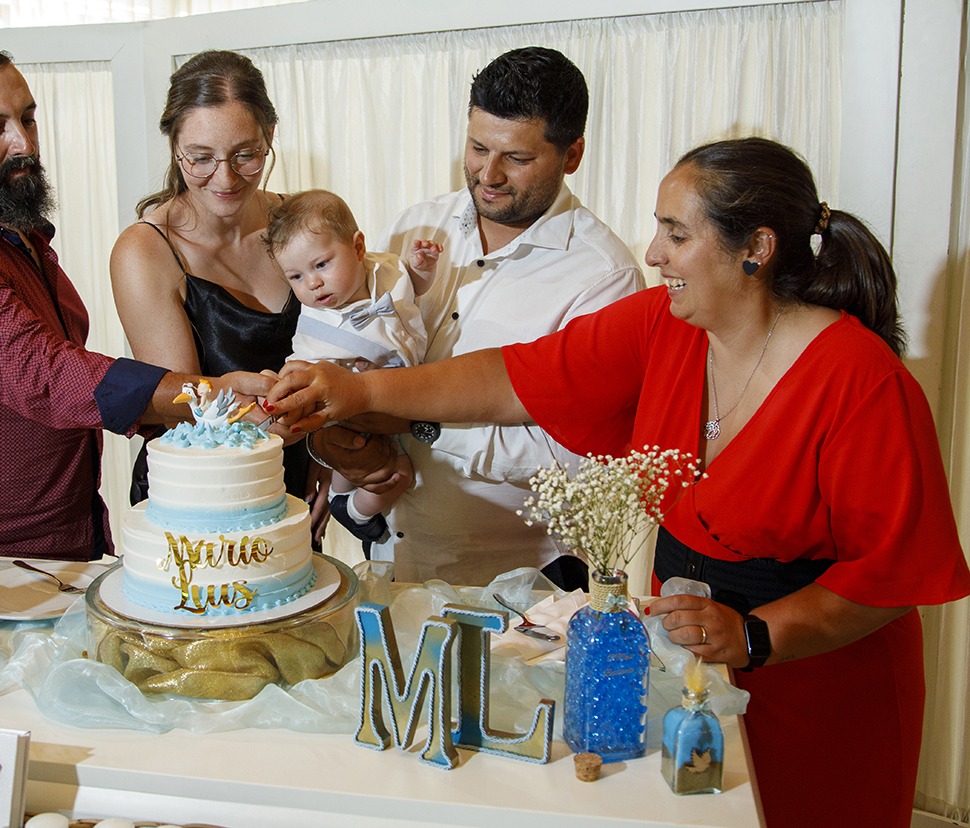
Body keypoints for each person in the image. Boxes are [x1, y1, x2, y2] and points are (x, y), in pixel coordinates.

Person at [266, 137, 970, 828]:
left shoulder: (861, 379)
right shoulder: (666, 326)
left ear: (755, 247)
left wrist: (756, 636)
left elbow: (893, 575)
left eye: (675, 233)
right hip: (692, 664)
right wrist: (362, 392)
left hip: (821, 690)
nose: (654, 253)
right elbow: (513, 376)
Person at [0, 45, 272, 561]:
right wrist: (211, 396)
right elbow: (45, 374)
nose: (23, 143)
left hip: (61, 546)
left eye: (28, 119)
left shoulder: (14, 232)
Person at [306, 46, 644, 588]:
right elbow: (361, 340)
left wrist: (412, 419)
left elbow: (573, 461)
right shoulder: (417, 225)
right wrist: (332, 441)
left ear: (572, 153)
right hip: (388, 558)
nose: (488, 174)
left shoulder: (605, 278)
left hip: (518, 585)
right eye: (477, 147)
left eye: (516, 158)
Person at [109, 50, 319, 526]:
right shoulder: (147, 250)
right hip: (196, 499)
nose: (224, 179)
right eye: (200, 159)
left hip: (290, 483)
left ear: (270, 137)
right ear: (173, 147)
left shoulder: (300, 222)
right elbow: (176, 404)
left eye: (246, 155)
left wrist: (327, 450)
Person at [264, 189, 441, 548]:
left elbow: (413, 291)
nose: (311, 284)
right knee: (387, 472)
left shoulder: (386, 269)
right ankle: (355, 514)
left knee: (405, 471)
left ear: (358, 247)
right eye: (295, 277)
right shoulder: (318, 325)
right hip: (351, 419)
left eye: (321, 265)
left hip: (404, 402)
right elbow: (302, 375)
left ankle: (349, 505)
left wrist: (422, 269)